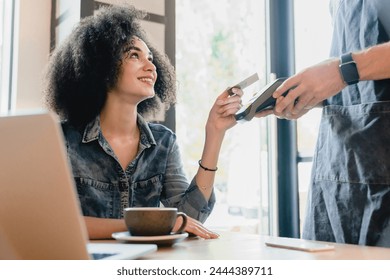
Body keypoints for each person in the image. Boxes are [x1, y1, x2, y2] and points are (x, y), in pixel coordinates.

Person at [44, 5, 244, 240]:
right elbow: (55, 223)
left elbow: (189, 218)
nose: (151, 67)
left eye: (150, 58)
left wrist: (215, 132)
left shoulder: (163, 142)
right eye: (134, 55)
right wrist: (144, 226)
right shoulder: (62, 140)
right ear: (101, 66)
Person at [270, 0, 390, 247]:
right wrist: (307, 96)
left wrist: (342, 70)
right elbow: (363, 90)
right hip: (338, 172)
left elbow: (348, 70)